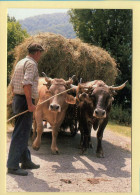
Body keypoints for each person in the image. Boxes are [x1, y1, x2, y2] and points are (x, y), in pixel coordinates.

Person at [7, 43, 44, 176]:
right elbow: (27, 83)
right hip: (24, 100)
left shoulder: (21, 62)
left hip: (18, 99)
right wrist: (29, 103)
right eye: (41, 53)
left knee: (23, 131)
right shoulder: (32, 64)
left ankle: (26, 161)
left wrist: (15, 99)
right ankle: (12, 166)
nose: (40, 56)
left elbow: (12, 84)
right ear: (37, 52)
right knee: (21, 134)